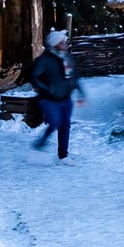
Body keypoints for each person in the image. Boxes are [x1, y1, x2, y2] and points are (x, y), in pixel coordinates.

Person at [31, 29, 85, 162]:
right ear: (54, 44)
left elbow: (74, 76)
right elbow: (34, 77)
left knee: (65, 126)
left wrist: (80, 93)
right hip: (49, 100)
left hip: (66, 99)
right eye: (62, 42)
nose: (65, 44)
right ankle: (41, 142)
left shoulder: (67, 57)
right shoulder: (44, 60)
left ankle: (63, 156)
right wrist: (48, 89)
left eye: (64, 41)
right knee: (55, 122)